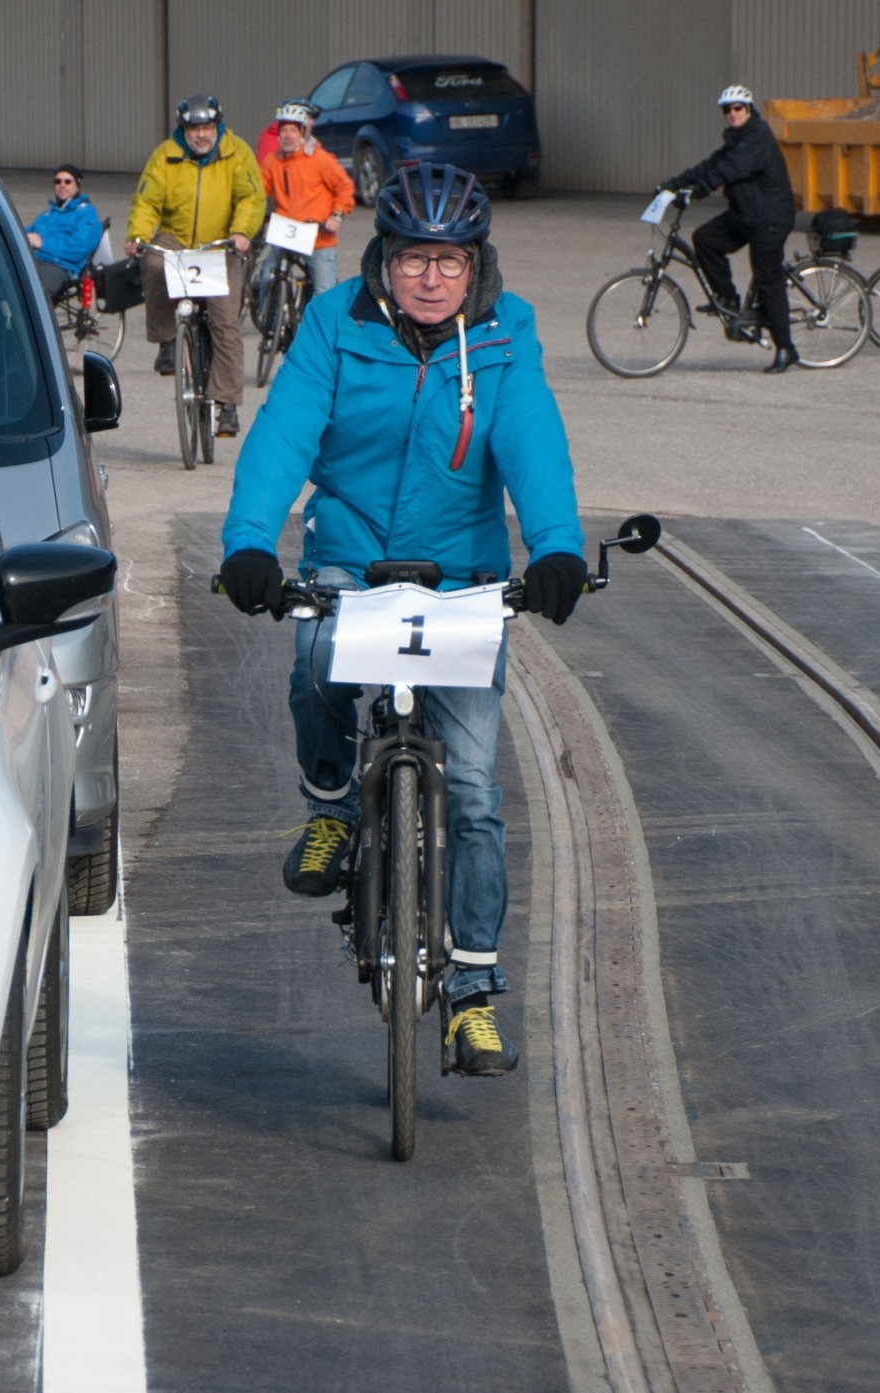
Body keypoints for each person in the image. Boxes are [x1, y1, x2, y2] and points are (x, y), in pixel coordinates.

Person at [216, 162, 586, 1077]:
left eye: (450, 262)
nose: (430, 278)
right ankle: (334, 803)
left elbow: (531, 437)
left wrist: (558, 548)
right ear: (384, 259)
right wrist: (251, 541)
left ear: (476, 265)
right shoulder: (335, 324)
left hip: (462, 576)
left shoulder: (508, 332)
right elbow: (286, 431)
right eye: (415, 258)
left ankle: (471, 991)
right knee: (314, 652)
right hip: (351, 552)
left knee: (470, 793)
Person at [125, 92, 266, 437]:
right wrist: (138, 235)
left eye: (206, 127)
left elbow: (250, 197)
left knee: (225, 322)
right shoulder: (165, 156)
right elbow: (147, 200)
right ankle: (166, 341)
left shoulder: (238, 153)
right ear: (183, 130)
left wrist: (241, 232)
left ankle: (228, 405)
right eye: (193, 129)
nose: (200, 135)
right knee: (154, 263)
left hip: (221, 243)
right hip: (177, 237)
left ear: (218, 126)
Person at [661, 85, 799, 374]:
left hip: (770, 218)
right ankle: (728, 300)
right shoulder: (736, 140)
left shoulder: (757, 138)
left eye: (738, 108)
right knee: (706, 239)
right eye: (728, 110)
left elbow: (728, 170)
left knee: (767, 276)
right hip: (745, 215)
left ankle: (786, 348)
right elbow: (710, 164)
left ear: (748, 110)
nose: (733, 113)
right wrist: (671, 184)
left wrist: (695, 192)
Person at [258, 100, 354, 298]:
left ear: (303, 132)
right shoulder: (271, 161)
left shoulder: (321, 160)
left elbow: (345, 187)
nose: (287, 135)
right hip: (285, 233)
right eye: (284, 130)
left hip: (318, 236)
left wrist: (336, 216)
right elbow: (258, 192)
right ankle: (270, 322)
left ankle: (319, 327)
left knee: (324, 292)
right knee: (267, 277)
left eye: (293, 130)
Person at [25, 164, 104, 303]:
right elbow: (23, 234)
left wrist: (43, 244)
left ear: (77, 186)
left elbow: (78, 248)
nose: (62, 185)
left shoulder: (86, 213)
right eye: (58, 181)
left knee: (33, 294)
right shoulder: (47, 215)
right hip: (34, 260)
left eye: (68, 182)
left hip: (60, 265)